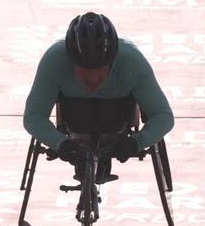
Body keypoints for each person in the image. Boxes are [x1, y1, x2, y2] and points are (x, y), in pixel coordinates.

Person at [23, 12, 174, 186]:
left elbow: (163, 116)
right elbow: (33, 116)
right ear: (71, 60)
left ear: (113, 60)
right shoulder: (54, 61)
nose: (93, 78)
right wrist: (60, 143)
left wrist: (136, 142)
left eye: (101, 69)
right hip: (75, 119)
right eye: (84, 69)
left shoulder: (133, 62)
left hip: (117, 120)